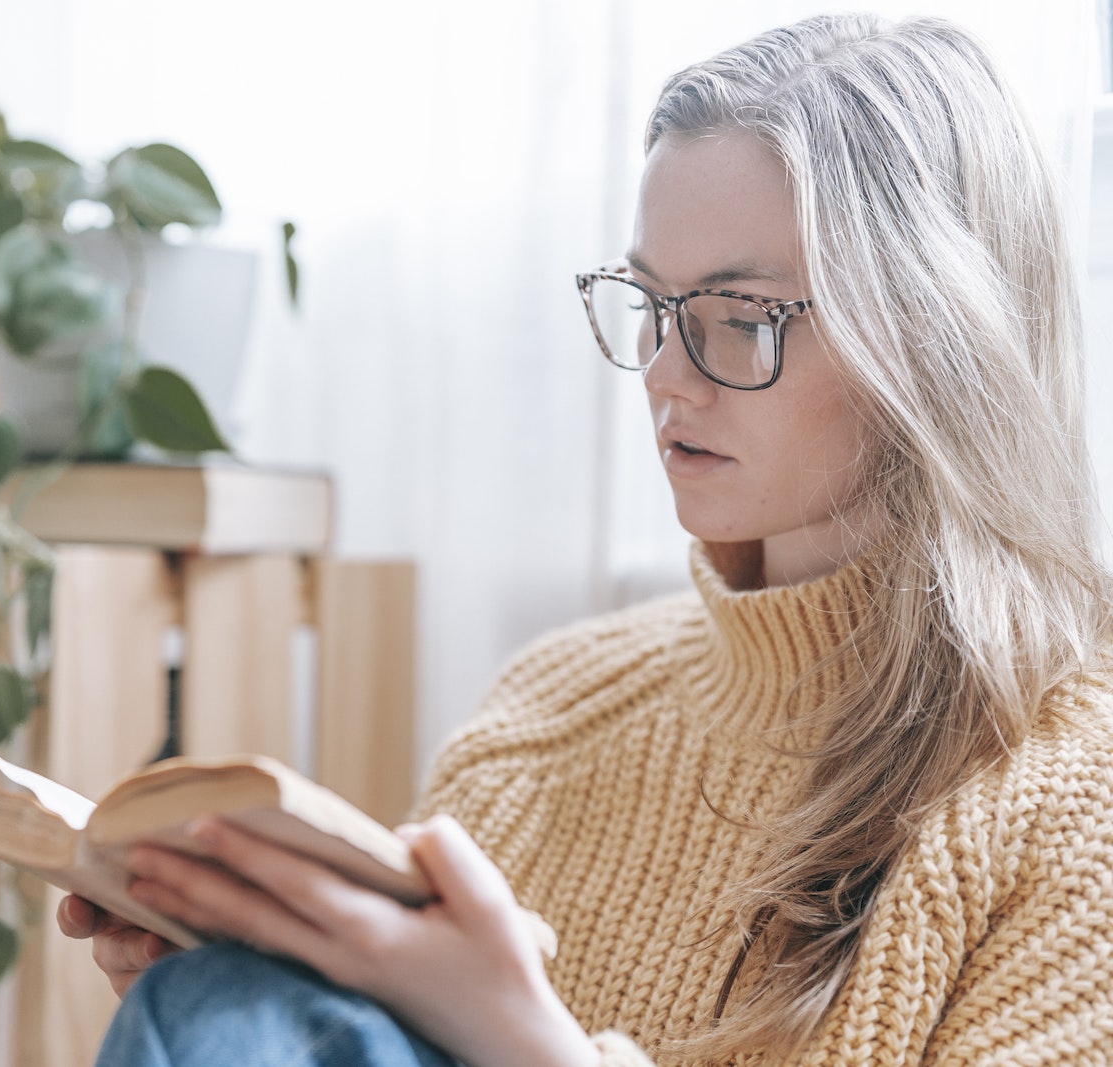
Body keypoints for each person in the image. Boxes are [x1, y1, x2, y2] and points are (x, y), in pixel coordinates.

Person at [58, 13, 1113, 1065]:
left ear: (935, 340)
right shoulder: (547, 715)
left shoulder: (1068, 800)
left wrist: (524, 1042)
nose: (664, 371)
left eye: (740, 317)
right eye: (650, 302)